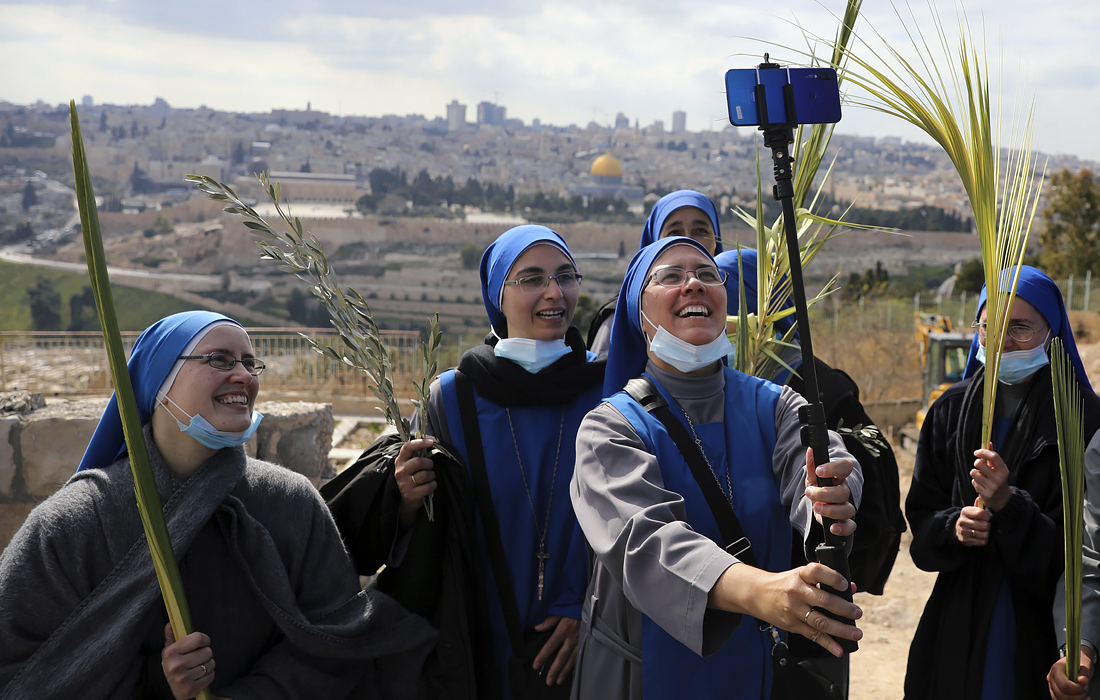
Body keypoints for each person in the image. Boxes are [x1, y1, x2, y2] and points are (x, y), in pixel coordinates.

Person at [0, 311, 434, 700]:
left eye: (249, 363)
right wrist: (156, 682)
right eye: (220, 360)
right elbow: (23, 670)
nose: (244, 376)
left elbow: (339, 636)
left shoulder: (290, 502)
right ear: (160, 382)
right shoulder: (73, 525)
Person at [569, 236, 863, 700]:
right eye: (670, 277)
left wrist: (832, 498)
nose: (693, 285)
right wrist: (764, 593)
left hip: (760, 669)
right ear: (638, 313)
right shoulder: (608, 429)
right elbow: (647, 542)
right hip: (645, 676)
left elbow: (823, 452)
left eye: (708, 274)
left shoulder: (775, 404)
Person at [326, 225, 605, 699]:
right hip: (480, 627)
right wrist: (407, 496)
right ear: (498, 294)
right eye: (532, 279)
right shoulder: (453, 397)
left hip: (589, 634)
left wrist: (590, 607)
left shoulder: (607, 388)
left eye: (565, 276)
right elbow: (430, 522)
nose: (554, 292)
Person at [905, 266, 1100, 700]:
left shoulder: (1083, 422)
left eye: (1021, 328)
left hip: (1040, 628)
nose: (1005, 342)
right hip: (956, 619)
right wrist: (953, 527)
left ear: (1052, 333)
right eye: (991, 328)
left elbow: (1083, 555)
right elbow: (921, 527)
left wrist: (1009, 505)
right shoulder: (949, 412)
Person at [587, 190, 723, 354]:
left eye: (701, 231)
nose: (688, 240)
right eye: (674, 233)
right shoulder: (621, 319)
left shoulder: (735, 311)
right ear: (654, 241)